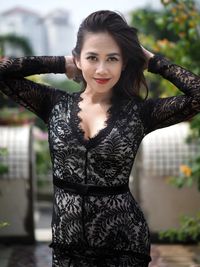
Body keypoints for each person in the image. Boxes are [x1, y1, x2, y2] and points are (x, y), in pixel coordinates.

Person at [0, 10, 200, 267]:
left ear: (124, 63)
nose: (102, 69)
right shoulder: (53, 103)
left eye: (112, 59)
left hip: (124, 243)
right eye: (92, 57)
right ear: (79, 59)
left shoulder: (139, 113)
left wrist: (151, 61)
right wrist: (60, 63)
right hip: (67, 245)